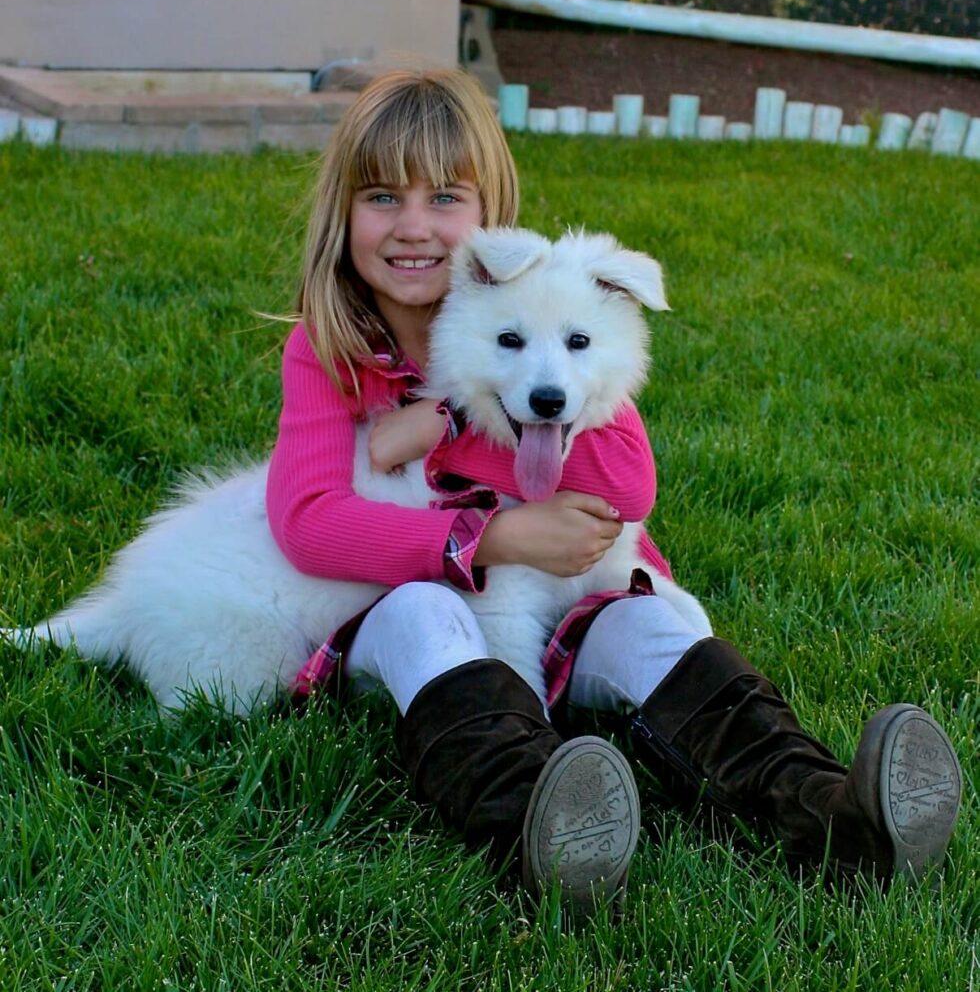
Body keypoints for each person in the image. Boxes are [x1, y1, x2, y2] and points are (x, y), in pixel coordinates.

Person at [264, 67, 962, 917]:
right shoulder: (328, 350)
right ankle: (538, 817)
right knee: (422, 609)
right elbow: (306, 524)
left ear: (491, 215)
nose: (415, 228)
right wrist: (492, 541)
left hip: (579, 596)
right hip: (418, 621)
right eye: (381, 198)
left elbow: (626, 477)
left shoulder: (538, 296)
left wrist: (447, 428)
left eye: (445, 196)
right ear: (344, 215)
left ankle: (831, 813)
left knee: (644, 623)